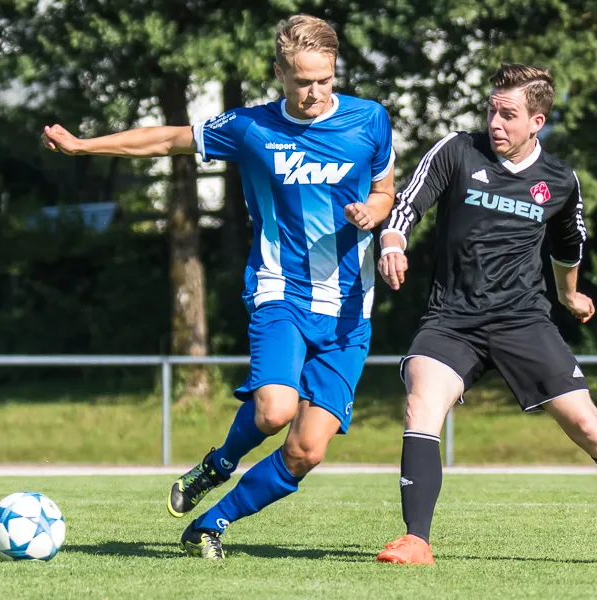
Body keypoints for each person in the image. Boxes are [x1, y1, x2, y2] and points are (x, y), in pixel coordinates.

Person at [42, 14, 395, 560]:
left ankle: (211, 523)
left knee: (307, 450)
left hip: (350, 309)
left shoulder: (369, 119)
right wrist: (85, 146)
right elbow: (168, 140)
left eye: (325, 80)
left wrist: (373, 211)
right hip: (281, 292)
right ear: (279, 73)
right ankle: (220, 463)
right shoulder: (252, 128)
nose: (316, 93)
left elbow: (385, 190)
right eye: (303, 81)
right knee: (274, 409)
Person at [373, 63, 597, 566]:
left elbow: (567, 247)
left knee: (589, 426)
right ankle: (416, 541)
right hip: (453, 319)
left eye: (508, 115)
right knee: (421, 403)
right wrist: (392, 242)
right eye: (492, 110)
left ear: (537, 121)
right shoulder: (457, 150)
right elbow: (407, 204)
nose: (495, 122)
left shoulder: (559, 180)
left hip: (523, 320)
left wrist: (570, 296)